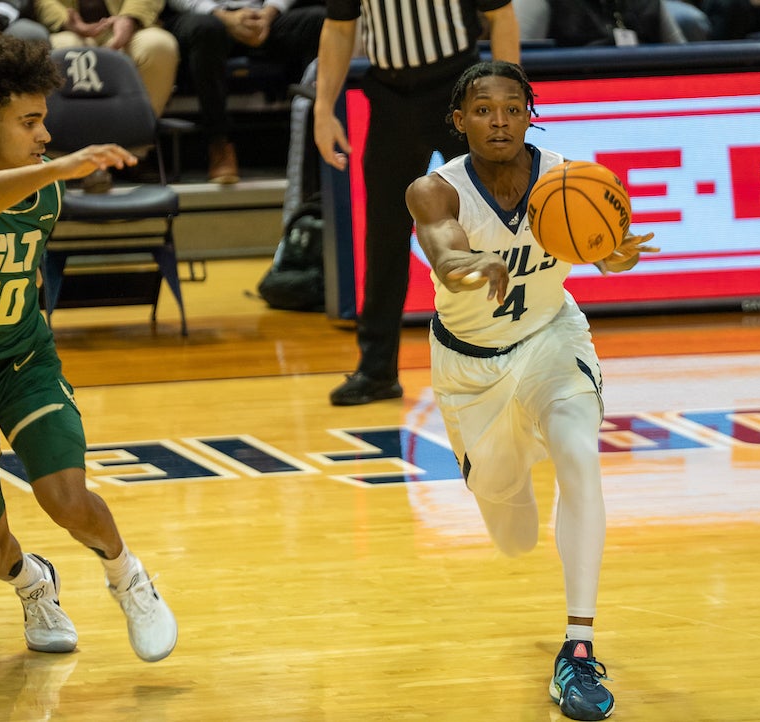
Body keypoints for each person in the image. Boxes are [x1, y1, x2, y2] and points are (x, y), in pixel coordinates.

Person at [0, 33, 177, 658]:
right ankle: (32, 585)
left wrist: (51, 172)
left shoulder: (45, 189)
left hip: (22, 364)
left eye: (45, 121)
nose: (46, 135)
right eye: (31, 122)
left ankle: (128, 577)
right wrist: (59, 167)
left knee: (66, 499)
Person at [405, 60, 657, 720]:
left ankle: (578, 650)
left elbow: (604, 242)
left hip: (552, 339)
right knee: (513, 533)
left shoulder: (568, 179)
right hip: (470, 370)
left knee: (582, 459)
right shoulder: (435, 189)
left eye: (513, 109)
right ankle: (510, 464)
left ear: (529, 116)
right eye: (483, 110)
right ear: (459, 121)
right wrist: (467, 263)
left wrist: (613, 252)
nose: (499, 120)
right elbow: (444, 249)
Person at [313, 0, 520, 407]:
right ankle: (377, 370)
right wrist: (323, 106)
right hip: (390, 97)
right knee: (385, 233)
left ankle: (514, 355)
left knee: (496, 223)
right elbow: (338, 27)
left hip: (458, 88)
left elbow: (502, 15)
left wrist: (506, 98)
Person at [164, 0, 325, 183]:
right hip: (204, 16)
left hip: (262, 16)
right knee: (206, 29)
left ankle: (314, 144)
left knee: (318, 20)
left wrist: (269, 12)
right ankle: (219, 143)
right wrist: (222, 15)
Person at [34, 0, 179, 119]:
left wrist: (130, 18)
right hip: (68, 30)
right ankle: (70, 146)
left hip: (131, 25)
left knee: (158, 46)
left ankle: (136, 141)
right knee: (65, 50)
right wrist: (64, 19)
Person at [512, 0, 689, 45]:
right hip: (575, 101)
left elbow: (685, 60)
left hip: (649, 100)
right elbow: (520, 68)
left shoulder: (649, 4)